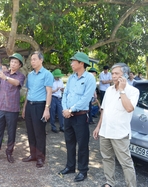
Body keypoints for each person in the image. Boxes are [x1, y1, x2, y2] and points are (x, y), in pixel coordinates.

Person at [93, 63, 139, 187]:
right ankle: (110, 183)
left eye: (116, 73)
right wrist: (98, 127)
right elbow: (104, 110)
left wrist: (122, 90)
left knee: (126, 163)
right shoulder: (108, 90)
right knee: (107, 159)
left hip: (120, 133)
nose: (113, 76)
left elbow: (129, 108)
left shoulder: (133, 91)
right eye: (112, 73)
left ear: (124, 75)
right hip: (105, 131)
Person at [58, 52, 96, 182]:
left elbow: (86, 99)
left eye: (73, 61)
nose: (71, 63)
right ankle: (70, 166)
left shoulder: (90, 78)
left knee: (82, 144)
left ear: (81, 63)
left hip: (80, 116)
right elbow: (65, 94)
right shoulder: (71, 78)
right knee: (69, 142)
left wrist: (71, 109)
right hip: (68, 115)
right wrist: (65, 109)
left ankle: (83, 171)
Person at [21, 51, 53, 168]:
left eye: (34, 59)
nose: (32, 62)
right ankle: (33, 155)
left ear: (41, 60)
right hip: (30, 105)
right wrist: (25, 108)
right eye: (31, 60)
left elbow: (49, 92)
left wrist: (47, 109)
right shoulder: (30, 75)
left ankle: (40, 157)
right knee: (30, 132)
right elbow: (28, 92)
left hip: (40, 106)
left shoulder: (47, 74)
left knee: (39, 133)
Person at [50, 69, 65, 133]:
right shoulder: (51, 81)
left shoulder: (60, 81)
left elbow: (63, 90)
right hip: (53, 97)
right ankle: (53, 127)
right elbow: (48, 91)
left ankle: (62, 126)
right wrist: (55, 90)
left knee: (61, 113)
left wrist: (62, 89)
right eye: (57, 76)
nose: (58, 77)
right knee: (52, 113)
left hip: (59, 98)